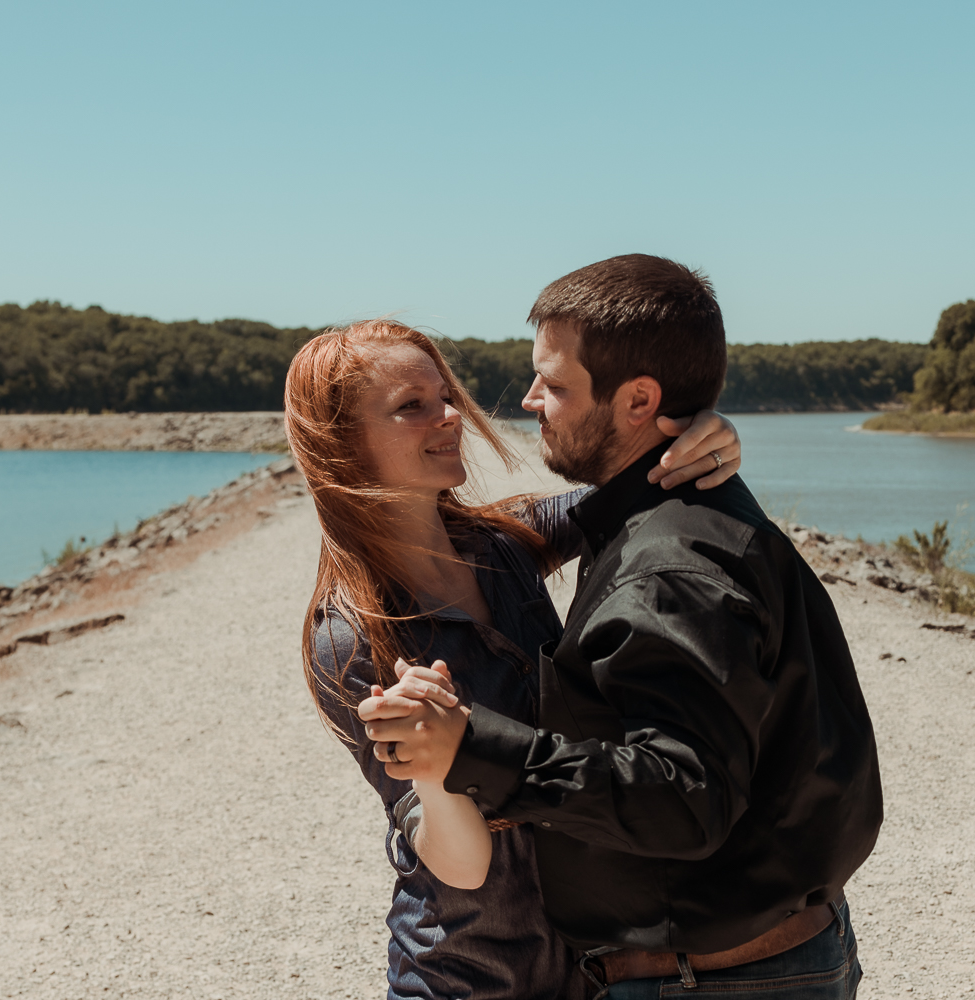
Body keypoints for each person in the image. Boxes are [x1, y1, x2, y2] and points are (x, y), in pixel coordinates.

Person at [361, 255, 884, 999]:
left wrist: (472, 746)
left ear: (638, 399)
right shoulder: (666, 514)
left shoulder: (664, 564)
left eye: (556, 383)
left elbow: (683, 797)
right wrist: (707, 434)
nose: (531, 400)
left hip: (712, 980)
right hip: (753, 959)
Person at [282, 319, 744, 1000]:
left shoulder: (504, 544)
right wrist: (441, 772)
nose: (450, 417)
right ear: (341, 445)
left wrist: (708, 435)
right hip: (466, 976)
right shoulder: (350, 640)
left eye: (445, 396)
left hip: (592, 964)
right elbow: (458, 865)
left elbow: (637, 482)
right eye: (413, 406)